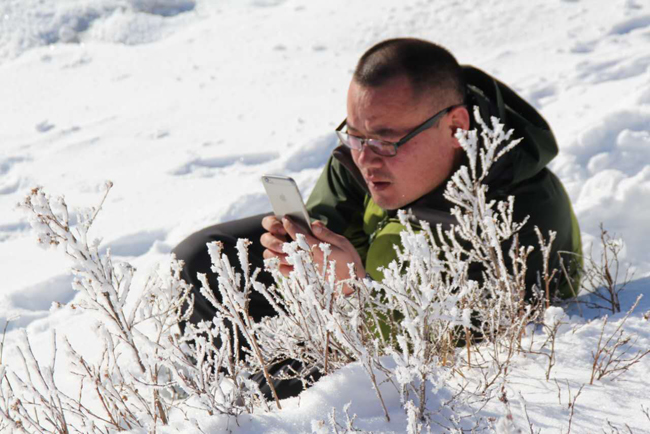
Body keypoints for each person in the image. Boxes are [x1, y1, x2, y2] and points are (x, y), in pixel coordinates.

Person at [173, 38, 582, 398]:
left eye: (386, 141)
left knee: (300, 382)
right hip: (361, 313)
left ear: (456, 126)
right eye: (354, 136)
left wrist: (355, 293)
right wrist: (297, 254)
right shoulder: (363, 161)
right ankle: (232, 404)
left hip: (423, 379)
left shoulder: (521, 218)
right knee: (202, 259)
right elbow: (324, 225)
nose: (365, 160)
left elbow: (455, 355)